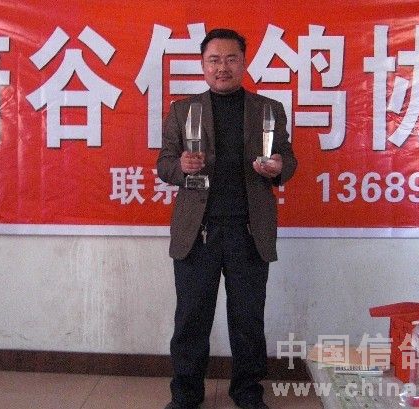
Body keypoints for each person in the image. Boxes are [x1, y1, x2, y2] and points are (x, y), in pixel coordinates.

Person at [156, 28, 297, 409]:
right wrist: (182, 167)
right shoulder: (183, 111)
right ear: (203, 65)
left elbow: (288, 158)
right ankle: (185, 394)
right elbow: (164, 163)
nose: (223, 67)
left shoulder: (268, 109)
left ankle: (248, 392)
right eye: (214, 60)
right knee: (191, 319)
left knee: (248, 319)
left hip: (248, 232)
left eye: (231, 59)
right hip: (197, 233)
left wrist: (278, 167)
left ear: (244, 63)